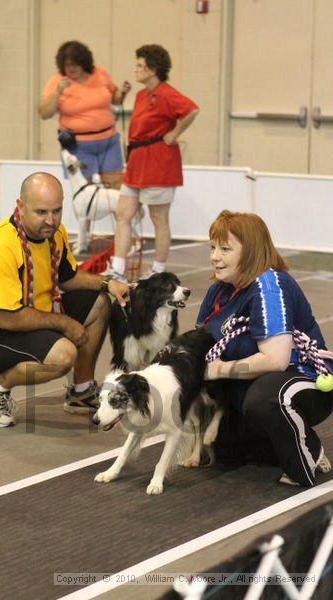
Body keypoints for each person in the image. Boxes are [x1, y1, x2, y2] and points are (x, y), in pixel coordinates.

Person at [0, 172, 129, 428]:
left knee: (100, 302)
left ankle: (81, 392)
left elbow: (67, 277)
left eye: (57, 211)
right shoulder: (1, 246)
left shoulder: (54, 233)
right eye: (41, 212)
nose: (51, 220)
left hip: (30, 315)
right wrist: (65, 324)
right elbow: (8, 318)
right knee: (63, 355)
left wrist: (107, 283)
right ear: (20, 207)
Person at [197, 210, 333, 487]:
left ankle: (307, 454)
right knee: (227, 450)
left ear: (250, 252)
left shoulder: (269, 286)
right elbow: (201, 343)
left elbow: (275, 361)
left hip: (304, 380)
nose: (214, 256)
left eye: (225, 249)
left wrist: (219, 369)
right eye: (212, 247)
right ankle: (278, 439)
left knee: (265, 400)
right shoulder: (218, 291)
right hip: (250, 382)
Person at [104, 44, 199, 281]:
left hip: (159, 164)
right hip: (137, 163)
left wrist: (174, 134)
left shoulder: (167, 93)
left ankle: (158, 270)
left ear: (153, 69)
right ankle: (118, 267)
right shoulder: (140, 95)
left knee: (158, 218)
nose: (135, 69)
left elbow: (192, 110)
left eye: (140, 65)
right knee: (123, 214)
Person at [38, 40, 131, 189]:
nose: (71, 68)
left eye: (75, 64)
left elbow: (115, 99)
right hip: (77, 146)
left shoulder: (100, 73)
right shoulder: (57, 80)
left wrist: (123, 93)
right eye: (67, 65)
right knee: (84, 191)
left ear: (84, 63)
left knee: (115, 188)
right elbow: (44, 113)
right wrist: (58, 92)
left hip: (109, 141)